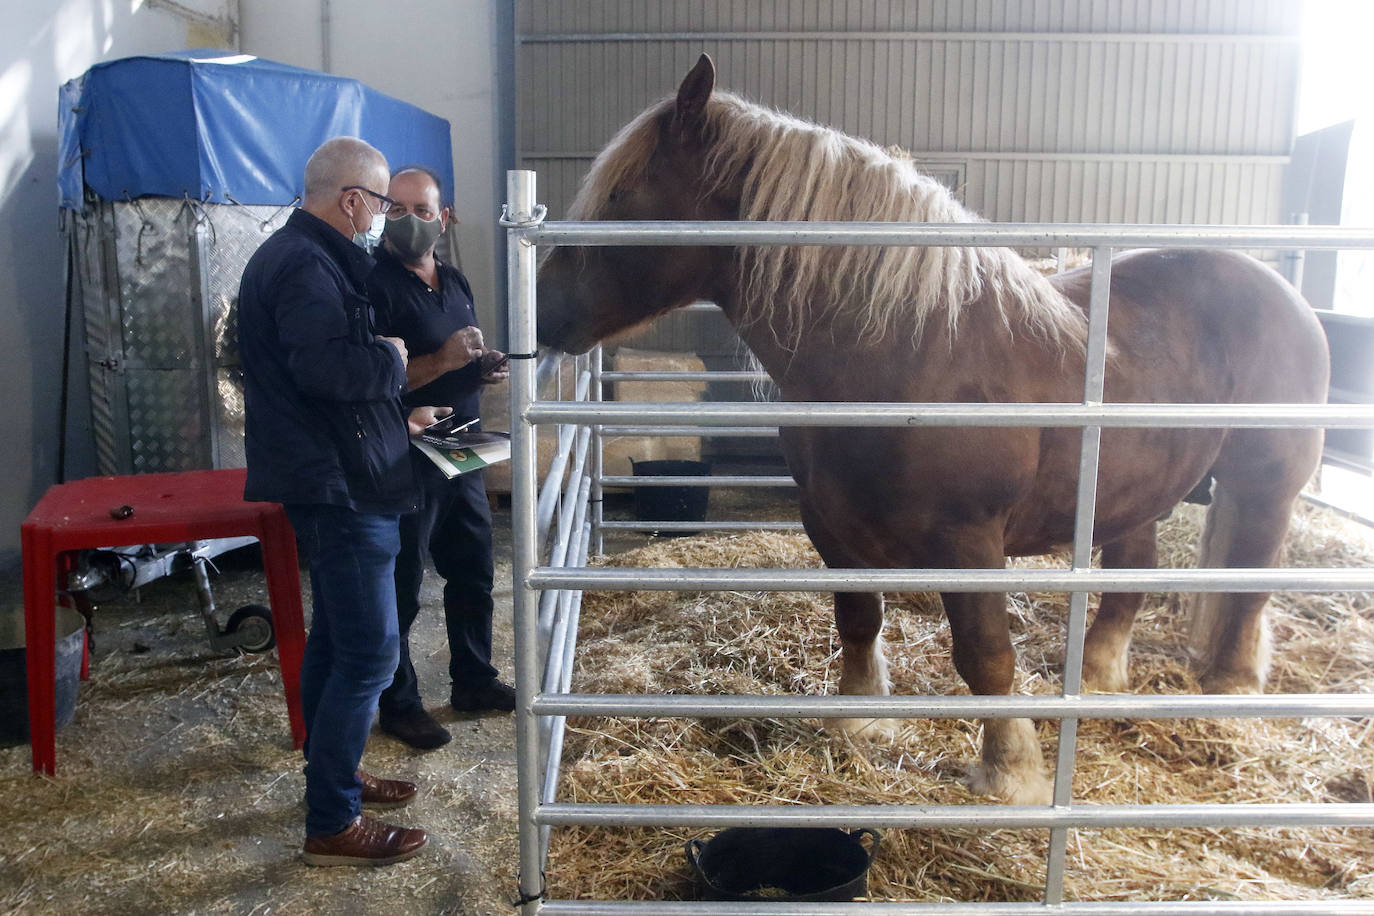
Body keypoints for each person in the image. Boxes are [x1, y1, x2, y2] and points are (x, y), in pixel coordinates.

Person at [237, 137, 428, 866]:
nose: (384, 217)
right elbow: (325, 368)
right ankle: (331, 823)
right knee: (372, 654)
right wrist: (392, 357)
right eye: (381, 203)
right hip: (337, 483)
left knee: (337, 641)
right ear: (352, 200)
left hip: (336, 472)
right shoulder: (305, 264)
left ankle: (334, 773)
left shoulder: (307, 257)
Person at [367, 165, 514, 751]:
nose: (408, 223)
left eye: (421, 211)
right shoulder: (372, 284)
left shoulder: (453, 280)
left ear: (443, 217)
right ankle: (397, 703)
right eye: (396, 210)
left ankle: (473, 679)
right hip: (406, 450)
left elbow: (460, 351)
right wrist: (445, 362)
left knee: (474, 567)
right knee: (404, 583)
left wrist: (481, 366)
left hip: (462, 444)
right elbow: (371, 379)